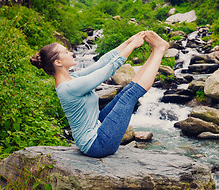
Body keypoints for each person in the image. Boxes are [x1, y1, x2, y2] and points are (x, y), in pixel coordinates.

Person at [30, 31, 169, 157]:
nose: (71, 53)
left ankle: (156, 51)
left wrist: (128, 41)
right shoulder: (69, 87)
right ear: (58, 62)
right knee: (129, 96)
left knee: (124, 92)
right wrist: (131, 46)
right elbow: (108, 70)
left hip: (97, 127)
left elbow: (102, 62)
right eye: (66, 52)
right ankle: (159, 51)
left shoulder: (73, 77)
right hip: (97, 145)